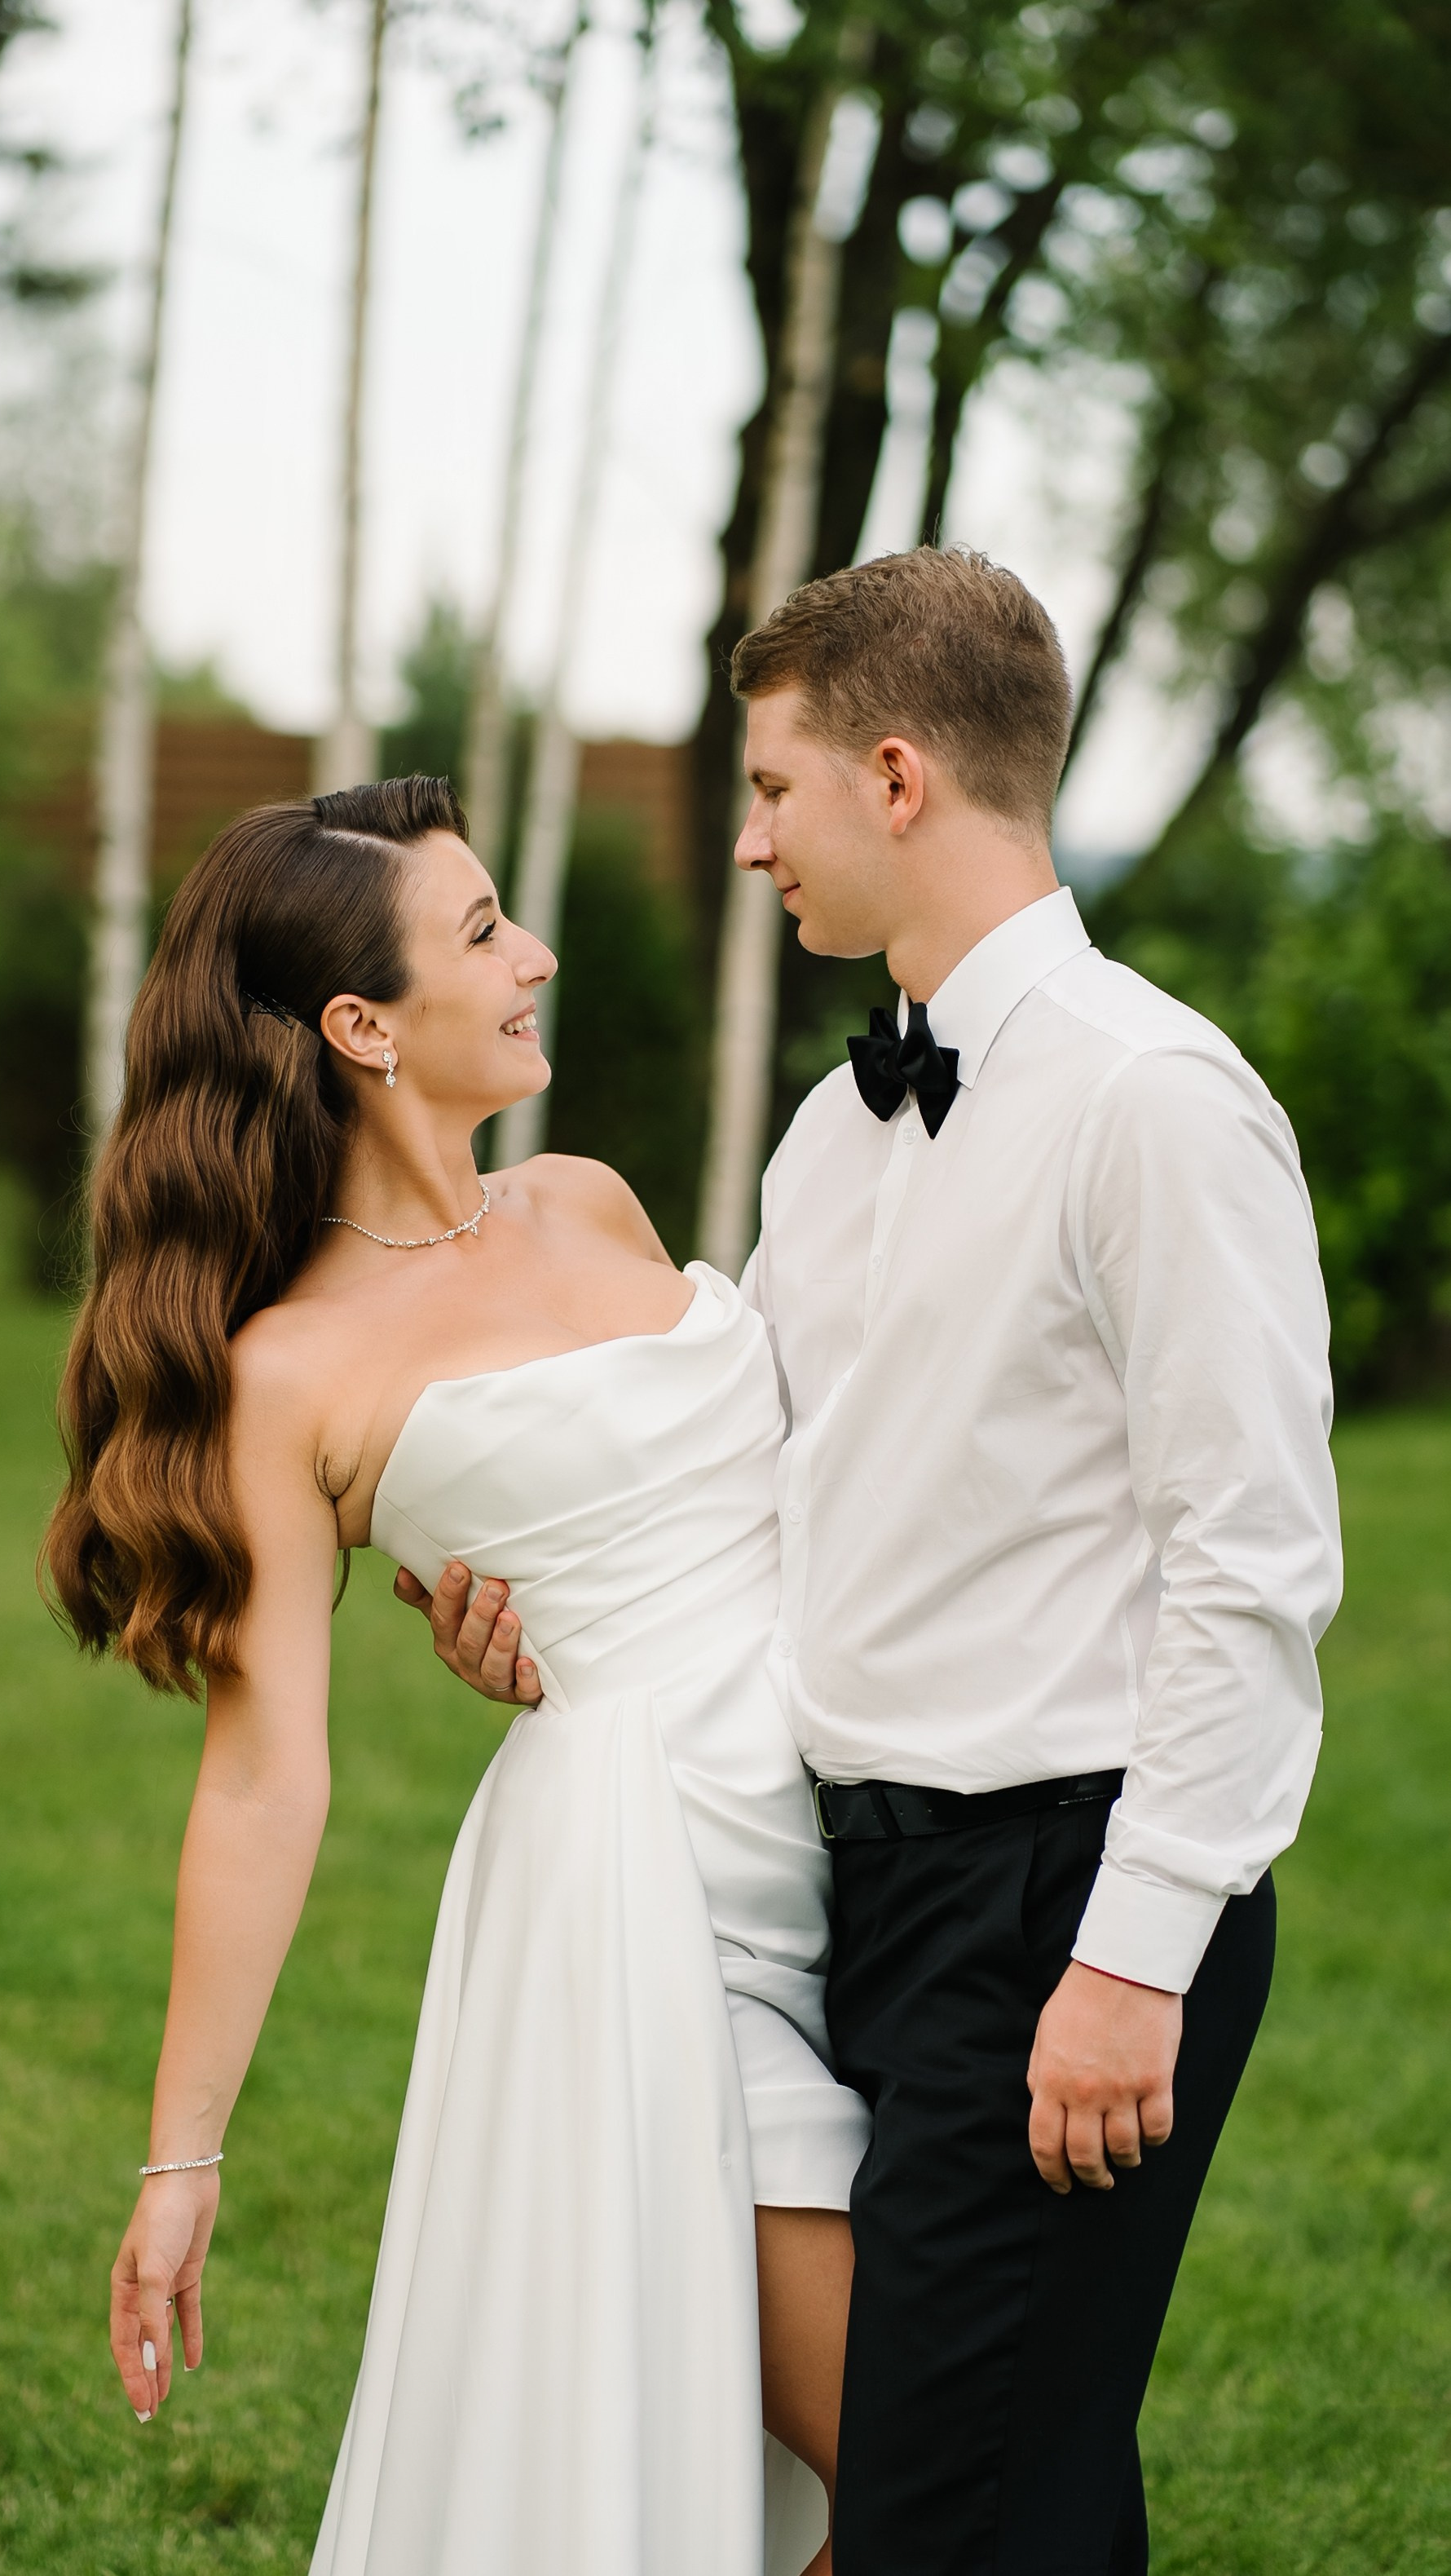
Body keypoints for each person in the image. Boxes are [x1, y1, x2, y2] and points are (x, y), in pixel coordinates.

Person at [399, 548, 1343, 2574]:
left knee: (951, 2502)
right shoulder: (830, 1137)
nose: (747, 843)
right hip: (843, 1887)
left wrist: (1126, 1954)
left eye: (768, 790)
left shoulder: (1155, 1102)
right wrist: (547, 1605)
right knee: (972, 2479)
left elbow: (1251, 1560)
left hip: (1058, 1893)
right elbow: (765, 1485)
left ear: (895, 776)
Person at [43, 775, 867, 2576]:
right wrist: (179, 2159)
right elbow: (267, 1778)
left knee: (857, 2482)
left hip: (878, 1846)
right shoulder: (291, 1376)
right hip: (656, 1924)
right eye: (485, 930)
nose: (537, 957)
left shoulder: (588, 1201)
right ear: (360, 1026)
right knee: (905, 2448)